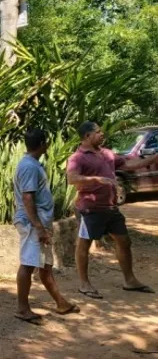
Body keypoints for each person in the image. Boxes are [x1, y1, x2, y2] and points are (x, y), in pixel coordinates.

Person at [67, 121, 158, 298]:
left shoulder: (107, 154)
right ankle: (84, 284)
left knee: (124, 241)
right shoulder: (77, 158)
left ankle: (129, 280)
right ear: (87, 136)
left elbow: (129, 165)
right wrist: (96, 180)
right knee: (84, 244)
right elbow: (72, 178)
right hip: (90, 208)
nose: (102, 134)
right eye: (98, 132)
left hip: (111, 207)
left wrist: (153, 158)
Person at [13, 129, 80, 323]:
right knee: (28, 263)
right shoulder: (29, 167)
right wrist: (38, 227)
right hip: (33, 223)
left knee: (45, 265)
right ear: (43, 143)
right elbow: (27, 197)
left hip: (39, 223)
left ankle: (61, 302)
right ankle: (23, 309)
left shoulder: (32, 164)